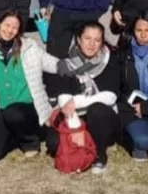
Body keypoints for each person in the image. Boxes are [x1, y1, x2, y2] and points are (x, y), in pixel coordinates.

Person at [0, 11, 56, 162]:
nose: (9, 30)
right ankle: (15, 137)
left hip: (29, 108)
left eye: (15, 27)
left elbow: (50, 62)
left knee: (14, 113)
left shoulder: (29, 47)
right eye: (7, 25)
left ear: (19, 31)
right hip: (1, 108)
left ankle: (30, 141)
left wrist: (70, 66)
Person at [46, 21, 121, 174]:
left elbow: (110, 96)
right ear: (78, 39)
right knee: (53, 144)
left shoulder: (110, 61)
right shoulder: (65, 63)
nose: (92, 44)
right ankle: (82, 143)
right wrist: (76, 129)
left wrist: (77, 101)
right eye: (87, 38)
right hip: (73, 115)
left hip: (101, 118)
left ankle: (99, 154)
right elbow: (64, 100)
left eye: (97, 40)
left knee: (97, 109)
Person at [117, 11, 148, 162]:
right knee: (144, 141)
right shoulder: (122, 56)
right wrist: (134, 106)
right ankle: (143, 138)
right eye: (139, 30)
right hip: (134, 110)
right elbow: (117, 90)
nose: (143, 35)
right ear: (133, 31)